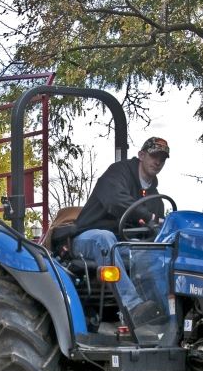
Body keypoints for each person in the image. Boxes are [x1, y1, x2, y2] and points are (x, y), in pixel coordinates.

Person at [70, 137, 170, 333]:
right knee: (104, 237)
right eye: (154, 156)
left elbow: (153, 229)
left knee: (156, 253)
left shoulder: (156, 199)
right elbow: (116, 201)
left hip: (122, 245)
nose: (157, 162)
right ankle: (132, 307)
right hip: (86, 239)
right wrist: (149, 217)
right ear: (141, 155)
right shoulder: (117, 174)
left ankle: (166, 315)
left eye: (162, 158)